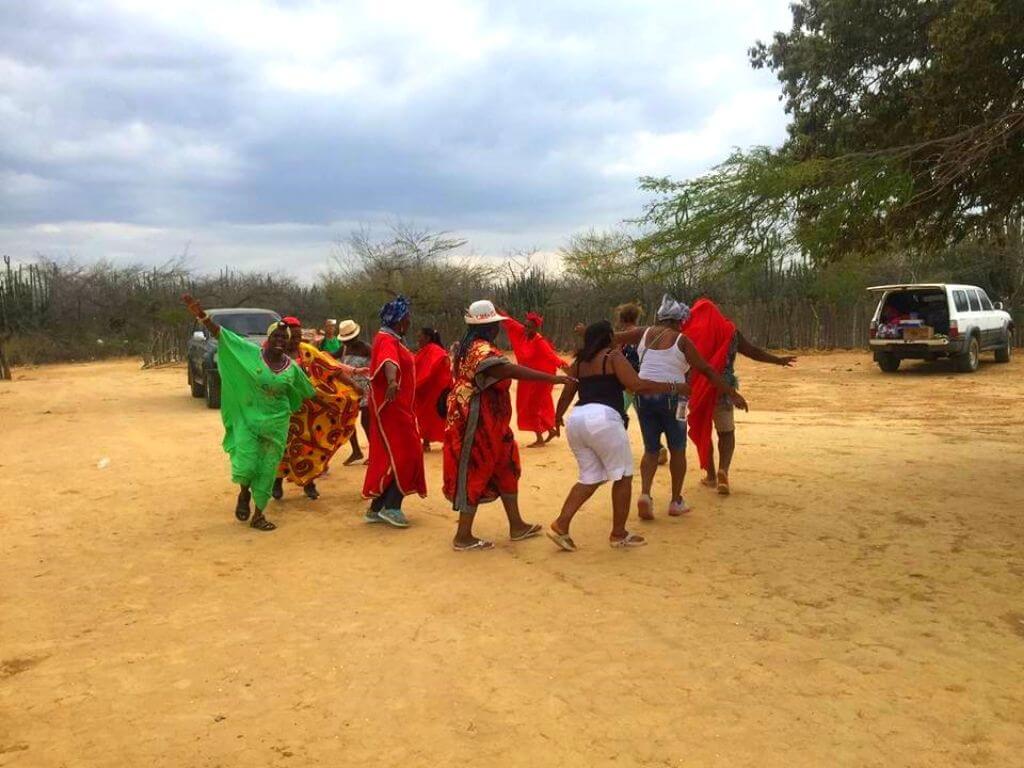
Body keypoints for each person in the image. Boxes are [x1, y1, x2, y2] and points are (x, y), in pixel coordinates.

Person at [443, 300, 575, 551]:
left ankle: (517, 525)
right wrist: (554, 379)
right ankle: (463, 536)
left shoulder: (468, 346)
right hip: (478, 420)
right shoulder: (481, 350)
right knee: (476, 469)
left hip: (492, 421)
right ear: (488, 327)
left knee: (507, 465)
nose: (498, 329)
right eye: (495, 325)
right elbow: (510, 370)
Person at [549, 320, 687, 552]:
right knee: (623, 477)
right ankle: (618, 533)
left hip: (577, 419)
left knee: (590, 477)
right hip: (603, 419)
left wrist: (557, 417)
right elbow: (637, 385)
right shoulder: (612, 356)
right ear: (608, 337)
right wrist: (674, 387)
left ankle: (561, 525)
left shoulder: (580, 362)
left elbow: (567, 392)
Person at [181, 294, 314, 531]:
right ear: (268, 338)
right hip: (249, 420)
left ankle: (259, 514)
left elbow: (308, 391)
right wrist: (201, 315)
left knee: (268, 467)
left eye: (285, 338)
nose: (280, 341)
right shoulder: (252, 354)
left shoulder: (292, 369)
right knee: (247, 465)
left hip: (277, 424)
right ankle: (244, 494)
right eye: (276, 336)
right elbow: (223, 336)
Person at [613, 294, 747, 520]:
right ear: (678, 321)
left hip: (643, 397)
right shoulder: (682, 340)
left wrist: (586, 335)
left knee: (651, 450)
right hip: (674, 398)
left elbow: (612, 337)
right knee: (677, 449)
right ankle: (675, 501)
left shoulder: (643, 333)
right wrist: (732, 393)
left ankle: (645, 494)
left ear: (660, 318)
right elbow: (706, 370)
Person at [681, 299, 796, 495]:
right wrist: (778, 361)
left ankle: (710, 476)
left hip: (698, 389)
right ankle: (723, 470)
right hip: (724, 390)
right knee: (726, 432)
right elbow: (752, 351)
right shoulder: (730, 332)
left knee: (703, 430)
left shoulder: (689, 333)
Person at [271, 320, 365, 501]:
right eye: (294, 336)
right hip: (282, 409)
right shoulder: (274, 353)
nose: (297, 340)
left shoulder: (306, 351)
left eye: (299, 336)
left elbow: (332, 369)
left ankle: (309, 482)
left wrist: (353, 384)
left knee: (307, 447)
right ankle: (277, 481)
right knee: (281, 446)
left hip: (307, 412)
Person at [362, 296, 426, 527]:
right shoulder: (387, 339)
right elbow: (389, 361)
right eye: (407, 319)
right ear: (399, 321)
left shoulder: (390, 338)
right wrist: (392, 382)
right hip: (392, 408)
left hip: (397, 408)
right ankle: (392, 506)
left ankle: (376, 507)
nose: (409, 323)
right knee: (408, 454)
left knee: (395, 455)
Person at [501, 311, 569, 446]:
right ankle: (550, 430)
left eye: (529, 327)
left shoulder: (540, 342)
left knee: (532, 407)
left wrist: (572, 373)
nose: (526, 328)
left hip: (542, 378)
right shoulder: (523, 333)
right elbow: (508, 320)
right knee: (530, 406)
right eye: (525, 326)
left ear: (536, 328)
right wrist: (494, 309)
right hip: (529, 378)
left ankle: (539, 439)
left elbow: (554, 359)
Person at [338, 320, 372, 465]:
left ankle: (374, 453)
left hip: (365, 388)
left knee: (366, 422)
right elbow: (329, 358)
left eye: (349, 340)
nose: (347, 342)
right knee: (348, 422)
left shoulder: (366, 348)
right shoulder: (344, 349)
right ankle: (356, 451)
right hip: (349, 389)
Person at [414, 327, 453, 451]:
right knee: (427, 415)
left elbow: (434, 368)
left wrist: (419, 382)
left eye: (420, 336)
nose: (418, 339)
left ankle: (441, 441)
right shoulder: (425, 351)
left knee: (440, 414)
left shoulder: (435, 351)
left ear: (427, 338)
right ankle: (426, 442)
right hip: (427, 390)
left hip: (436, 389)